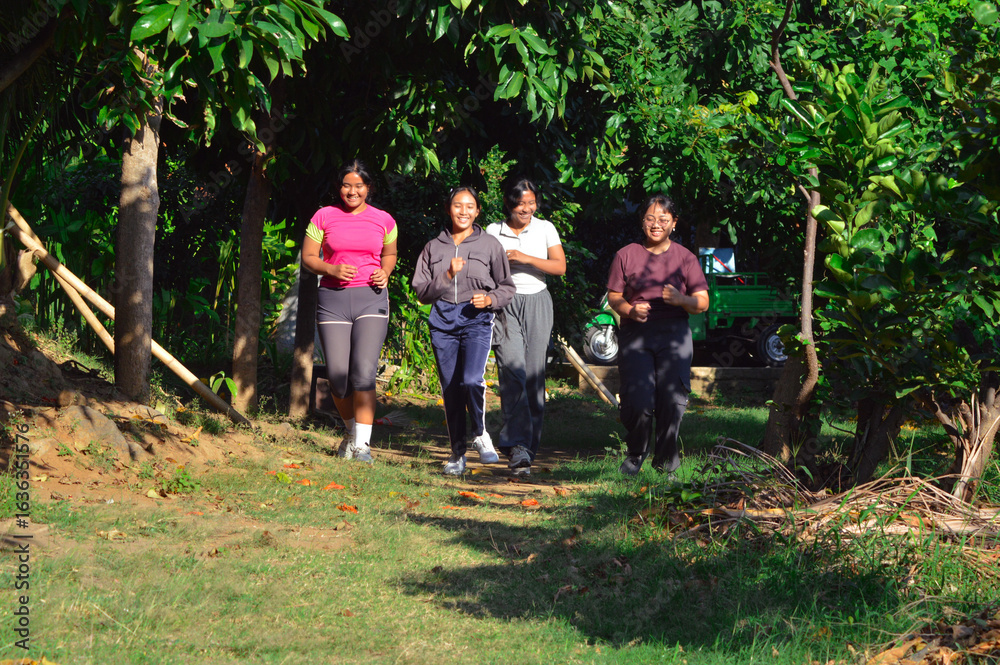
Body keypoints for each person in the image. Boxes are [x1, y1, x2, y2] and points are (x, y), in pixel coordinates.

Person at [412, 187, 515, 476]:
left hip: (476, 320)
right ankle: (457, 453)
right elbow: (421, 291)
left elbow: (507, 287)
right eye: (458, 205)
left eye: (470, 206)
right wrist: (447, 275)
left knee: (471, 380)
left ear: (478, 211)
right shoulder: (433, 247)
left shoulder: (490, 245)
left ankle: (480, 433)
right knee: (451, 389)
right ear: (449, 209)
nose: (464, 211)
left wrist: (490, 299)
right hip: (443, 322)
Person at [606, 194, 709, 477]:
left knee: (672, 400)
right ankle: (636, 453)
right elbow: (614, 296)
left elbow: (702, 302)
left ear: (674, 223)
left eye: (663, 219)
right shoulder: (626, 254)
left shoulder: (685, 258)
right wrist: (629, 310)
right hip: (636, 334)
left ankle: (667, 464)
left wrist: (681, 299)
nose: (656, 224)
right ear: (642, 221)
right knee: (638, 400)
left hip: (674, 336)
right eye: (650, 218)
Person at [302, 160, 397, 462]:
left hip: (371, 299)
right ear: (339, 187)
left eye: (359, 186)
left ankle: (363, 447)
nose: (352, 191)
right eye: (346, 185)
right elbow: (308, 257)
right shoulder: (323, 216)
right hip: (333, 301)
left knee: (364, 373)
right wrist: (331, 268)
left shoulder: (384, 220)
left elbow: (390, 254)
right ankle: (351, 433)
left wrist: (385, 271)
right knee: (338, 377)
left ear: (368, 188)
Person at [485, 178, 566, 475]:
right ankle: (517, 445)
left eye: (532, 203)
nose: (527, 209)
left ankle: (528, 446)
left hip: (538, 302)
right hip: (505, 302)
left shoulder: (545, 228)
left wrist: (524, 258)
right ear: (508, 203)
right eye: (521, 203)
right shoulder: (494, 230)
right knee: (512, 371)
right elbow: (484, 266)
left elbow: (559, 266)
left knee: (533, 375)